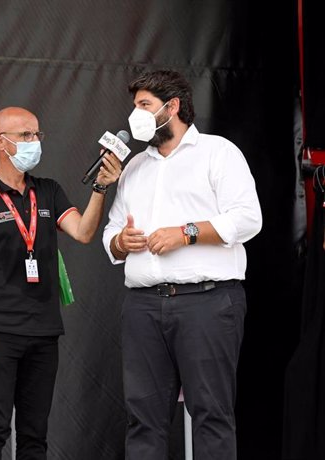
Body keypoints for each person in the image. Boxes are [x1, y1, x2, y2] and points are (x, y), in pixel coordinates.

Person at [102, 69, 262, 459]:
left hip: (206, 303)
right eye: (135, 105)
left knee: (211, 414)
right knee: (143, 419)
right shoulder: (135, 167)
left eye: (144, 105)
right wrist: (120, 242)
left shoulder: (218, 152)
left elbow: (247, 219)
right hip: (142, 306)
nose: (134, 114)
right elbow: (110, 232)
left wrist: (185, 232)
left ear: (171, 107)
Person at [0, 106, 122, 460]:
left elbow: (84, 232)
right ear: (1, 141)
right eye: (26, 135)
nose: (34, 142)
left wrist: (101, 186)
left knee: (34, 434)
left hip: (43, 331)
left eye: (37, 134)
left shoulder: (48, 191)